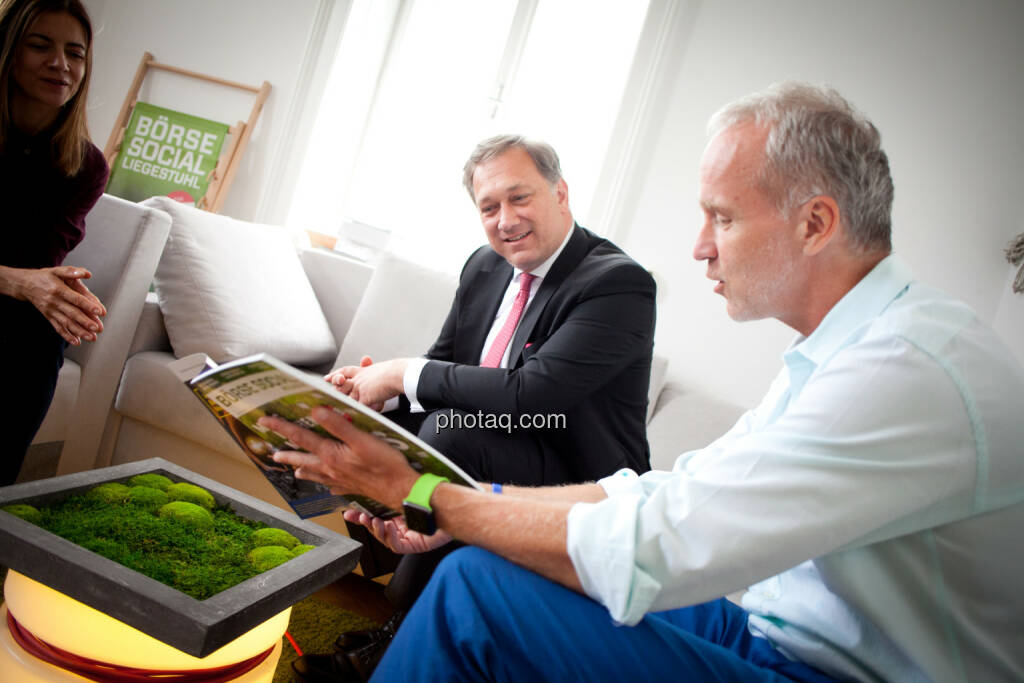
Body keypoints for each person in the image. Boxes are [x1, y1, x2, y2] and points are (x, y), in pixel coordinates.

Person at [264, 82, 1024, 682]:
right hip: (772, 626)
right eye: (488, 206)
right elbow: (675, 490)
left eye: (722, 218)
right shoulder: (842, 349)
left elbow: (656, 536)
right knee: (481, 554)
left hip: (824, 667)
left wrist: (429, 493)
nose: (700, 247)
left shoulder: (899, 368)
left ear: (815, 223)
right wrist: (446, 495)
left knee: (475, 588)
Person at [296, 135, 656, 679]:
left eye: (519, 197)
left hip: (583, 473)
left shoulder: (616, 283)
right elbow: (446, 362)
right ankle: (399, 601)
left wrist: (398, 371)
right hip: (499, 441)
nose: (505, 220)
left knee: (454, 433)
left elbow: (530, 395)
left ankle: (396, 642)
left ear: (560, 193)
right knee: (373, 427)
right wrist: (377, 389)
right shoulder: (486, 266)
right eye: (489, 207)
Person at [0, 0, 108, 486]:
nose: (60, 64)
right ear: (8, 51)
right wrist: (25, 283)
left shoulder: (85, 166)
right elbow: (25, 278)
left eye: (75, 53)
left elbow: (38, 265)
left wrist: (60, 292)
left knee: (42, 332)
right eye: (40, 46)